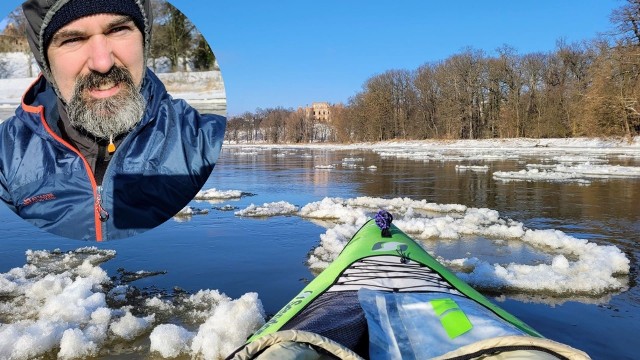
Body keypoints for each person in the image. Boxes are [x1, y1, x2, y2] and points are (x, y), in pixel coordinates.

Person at [0, 0, 226, 240]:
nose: (103, 63)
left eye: (118, 30)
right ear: (46, 63)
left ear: (144, 41)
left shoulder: (206, 142)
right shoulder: (7, 155)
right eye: (73, 40)